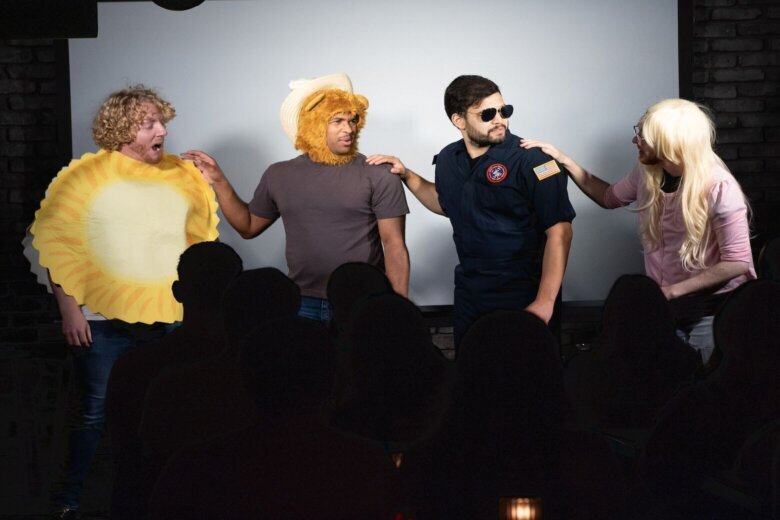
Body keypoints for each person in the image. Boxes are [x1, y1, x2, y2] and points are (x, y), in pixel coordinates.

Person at [25, 84, 220, 519]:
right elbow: (57, 244)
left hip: (169, 317)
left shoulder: (182, 174)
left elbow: (198, 248)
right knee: (95, 412)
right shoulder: (86, 177)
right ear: (122, 129)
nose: (162, 131)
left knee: (169, 408)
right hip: (102, 320)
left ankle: (166, 496)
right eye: (149, 124)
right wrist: (69, 309)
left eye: (162, 121)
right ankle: (69, 500)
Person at [521, 98, 755, 364]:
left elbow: (737, 262)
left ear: (670, 141)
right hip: (668, 307)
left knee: (703, 376)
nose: (635, 141)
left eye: (643, 136)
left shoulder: (719, 187)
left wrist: (669, 292)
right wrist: (564, 160)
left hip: (712, 310)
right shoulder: (647, 172)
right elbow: (609, 197)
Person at [368, 75, 575, 346]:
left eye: (504, 111)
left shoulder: (534, 160)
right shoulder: (448, 159)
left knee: (526, 368)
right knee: (470, 366)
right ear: (459, 120)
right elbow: (446, 203)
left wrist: (545, 302)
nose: (499, 120)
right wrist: (407, 175)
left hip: (523, 292)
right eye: (487, 114)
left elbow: (560, 232)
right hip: (470, 293)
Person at [184, 73, 410, 321]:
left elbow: (394, 244)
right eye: (337, 121)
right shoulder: (279, 174)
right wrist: (219, 181)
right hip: (301, 301)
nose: (349, 129)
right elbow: (248, 227)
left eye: (353, 120)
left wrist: (397, 309)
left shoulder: (379, 173)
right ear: (313, 124)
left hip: (361, 297)